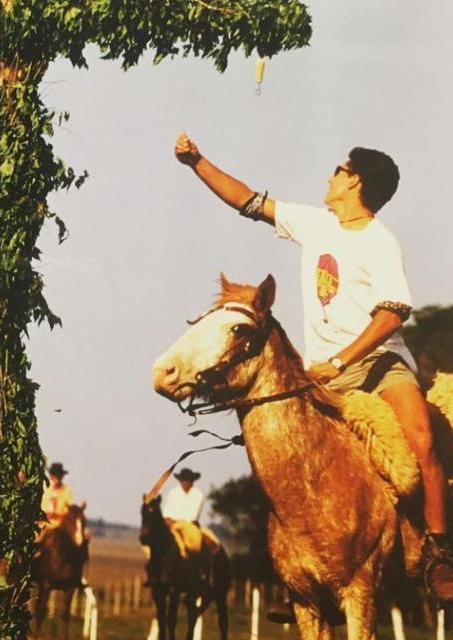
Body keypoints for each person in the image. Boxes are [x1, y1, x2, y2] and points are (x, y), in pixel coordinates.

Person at [173, 132, 452, 600]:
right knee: (297, 463)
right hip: (325, 373)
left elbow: (392, 314)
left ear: (355, 181)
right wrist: (196, 161)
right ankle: (304, 571)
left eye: (339, 170)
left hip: (381, 365)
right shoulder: (313, 223)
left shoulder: (382, 242)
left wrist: (343, 358)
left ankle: (439, 556)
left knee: (422, 441)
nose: (331, 175)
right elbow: (245, 200)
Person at [38, 462, 74, 538]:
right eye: (54, 475)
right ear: (51, 476)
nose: (56, 478)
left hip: (60, 525)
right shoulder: (44, 488)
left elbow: (69, 510)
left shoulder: (66, 490)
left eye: (58, 476)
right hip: (43, 523)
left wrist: (58, 516)